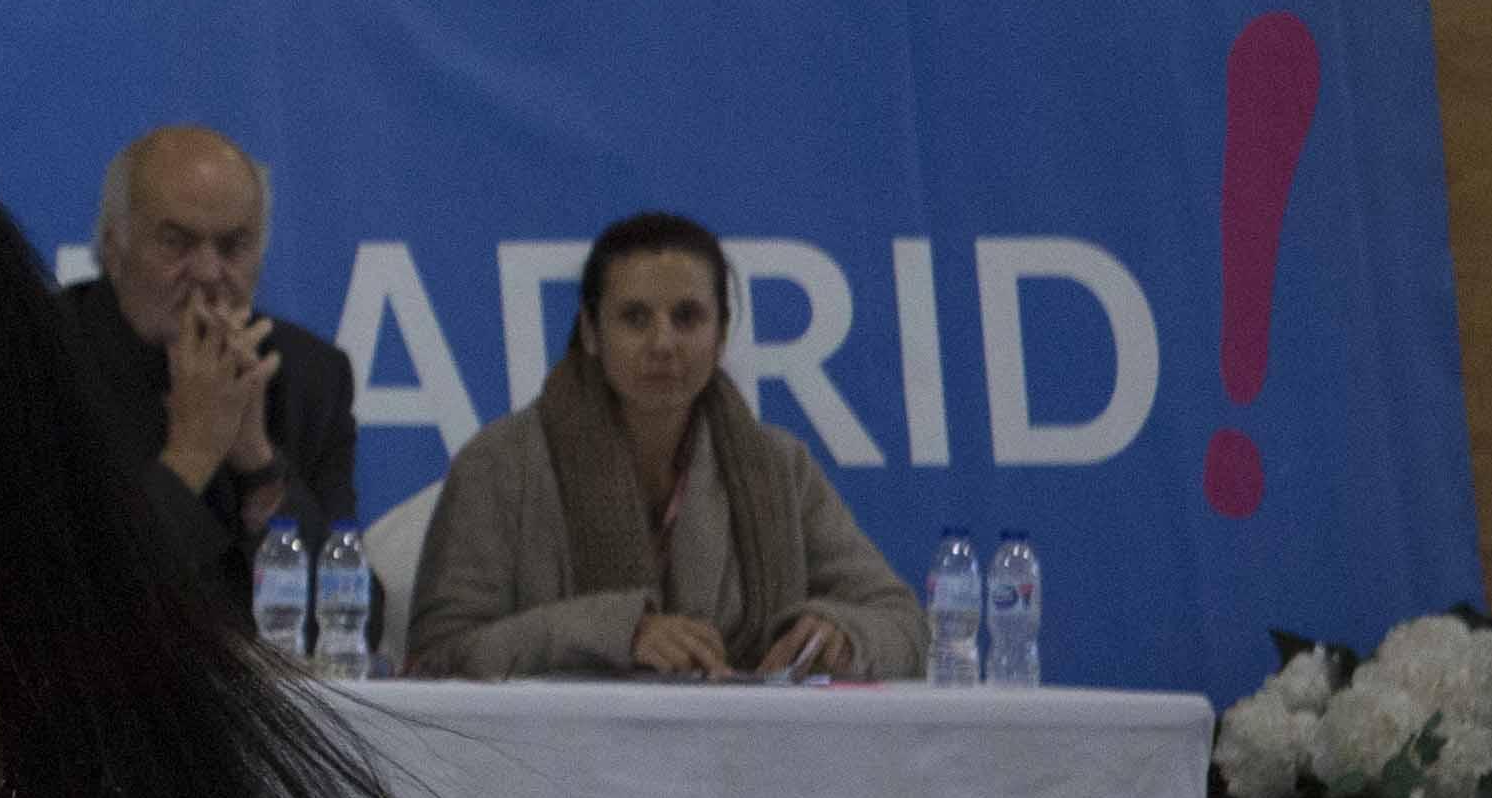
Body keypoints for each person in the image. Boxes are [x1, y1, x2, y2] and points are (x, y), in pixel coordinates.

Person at [407, 210, 924, 681]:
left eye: (688, 317)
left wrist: (841, 634)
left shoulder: (779, 467)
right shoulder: (499, 466)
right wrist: (618, 633)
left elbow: (905, 626)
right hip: (550, 765)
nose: (663, 344)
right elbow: (435, 659)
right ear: (591, 332)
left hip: (742, 762)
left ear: (722, 334)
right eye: (635, 318)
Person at [68, 121, 358, 622]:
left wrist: (258, 463)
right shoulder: (31, 361)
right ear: (114, 250)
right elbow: (74, 611)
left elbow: (348, 619)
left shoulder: (309, 378)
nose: (207, 272)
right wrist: (193, 452)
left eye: (232, 247)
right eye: (175, 243)